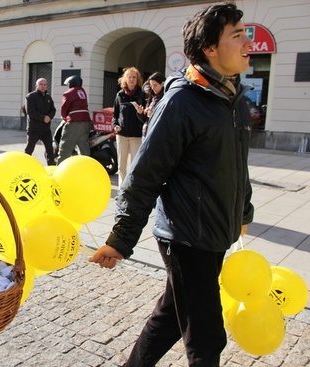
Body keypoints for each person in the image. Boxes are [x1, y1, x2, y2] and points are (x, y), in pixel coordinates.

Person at [89, 2, 255, 366]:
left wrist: (243, 210)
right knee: (207, 338)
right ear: (210, 48)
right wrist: (122, 238)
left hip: (214, 232)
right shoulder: (182, 101)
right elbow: (145, 175)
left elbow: (237, 167)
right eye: (238, 35)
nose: (248, 42)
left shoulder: (234, 99)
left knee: (169, 319)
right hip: (186, 236)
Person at [111, 67, 147, 188]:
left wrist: (141, 112)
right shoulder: (120, 95)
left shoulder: (142, 95)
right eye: (129, 77)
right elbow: (115, 114)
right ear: (125, 79)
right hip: (122, 135)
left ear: (137, 80)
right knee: (121, 164)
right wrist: (115, 125)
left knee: (135, 164)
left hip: (136, 135)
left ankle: (132, 189)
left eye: (134, 77)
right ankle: (122, 190)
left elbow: (146, 117)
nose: (131, 79)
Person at [57, 75, 92, 164]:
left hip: (74, 122)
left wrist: (64, 116)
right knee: (84, 148)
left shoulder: (68, 93)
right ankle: (86, 168)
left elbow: (64, 107)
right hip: (86, 121)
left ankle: (60, 168)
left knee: (65, 147)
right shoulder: (82, 91)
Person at [24, 77, 56, 166]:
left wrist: (49, 117)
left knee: (50, 149)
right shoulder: (30, 96)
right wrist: (43, 118)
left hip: (46, 129)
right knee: (29, 150)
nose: (43, 86)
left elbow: (53, 110)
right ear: (36, 85)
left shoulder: (48, 97)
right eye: (41, 84)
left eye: (45, 84)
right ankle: (25, 166)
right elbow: (30, 111)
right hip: (34, 129)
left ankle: (51, 166)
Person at [141, 72, 166, 138]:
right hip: (146, 131)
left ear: (162, 84)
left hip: (157, 133)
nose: (153, 88)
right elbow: (145, 119)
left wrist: (153, 115)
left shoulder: (165, 98)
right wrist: (141, 112)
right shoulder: (151, 97)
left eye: (155, 85)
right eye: (151, 85)